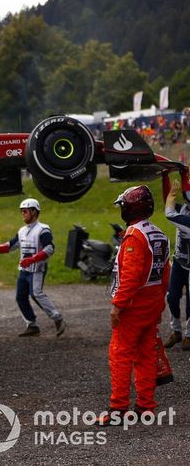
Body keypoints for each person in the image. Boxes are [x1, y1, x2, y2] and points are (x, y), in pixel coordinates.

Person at [101, 185, 170, 424]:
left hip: (134, 306)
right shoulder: (159, 234)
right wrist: (160, 306)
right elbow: (165, 274)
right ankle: (146, 406)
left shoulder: (134, 235)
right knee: (146, 356)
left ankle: (118, 409)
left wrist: (117, 305)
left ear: (130, 207)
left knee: (120, 355)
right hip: (152, 304)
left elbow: (131, 276)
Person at [0, 198, 66, 337]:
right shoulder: (22, 230)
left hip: (37, 269)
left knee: (36, 294)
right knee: (20, 297)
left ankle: (58, 318)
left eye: (25, 211)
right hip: (24, 270)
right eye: (21, 211)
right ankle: (31, 325)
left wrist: (32, 259)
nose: (22, 214)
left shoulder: (43, 229)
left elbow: (50, 248)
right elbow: (10, 245)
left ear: (34, 212)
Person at [161, 172, 190, 350]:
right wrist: (165, 177)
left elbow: (170, 212)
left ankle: (189, 335)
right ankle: (176, 331)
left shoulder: (185, 218)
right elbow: (167, 199)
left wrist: (183, 176)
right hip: (179, 262)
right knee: (172, 297)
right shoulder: (184, 209)